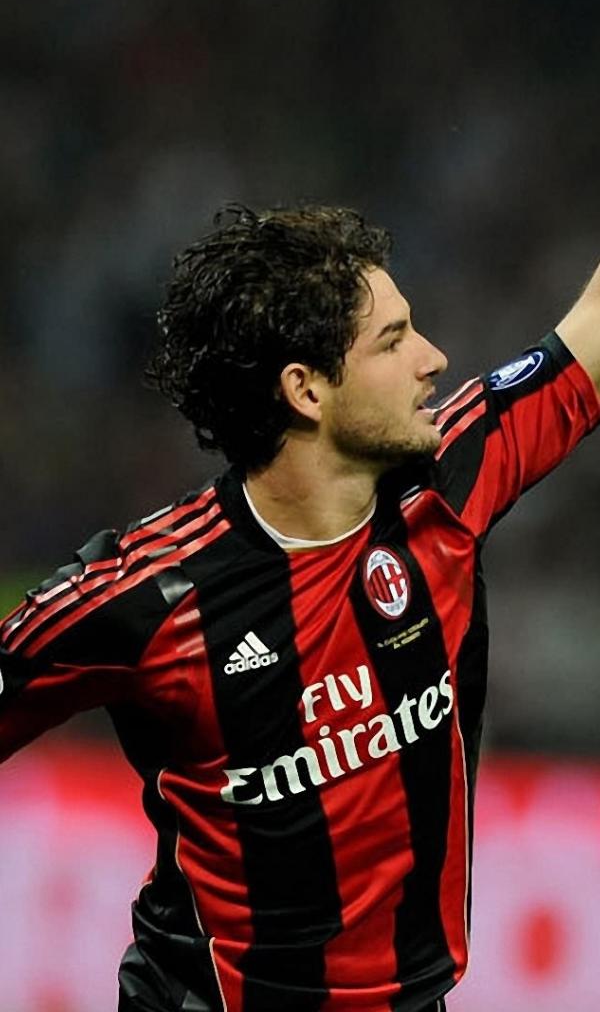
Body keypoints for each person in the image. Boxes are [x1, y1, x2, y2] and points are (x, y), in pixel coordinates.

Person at [1, 205, 598, 1012]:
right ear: (306, 389)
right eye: (393, 340)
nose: (433, 359)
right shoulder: (148, 595)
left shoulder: (450, 484)